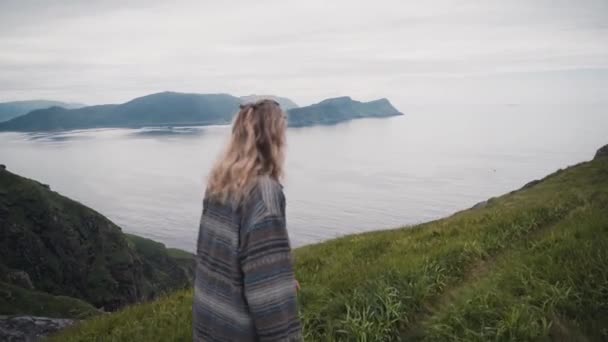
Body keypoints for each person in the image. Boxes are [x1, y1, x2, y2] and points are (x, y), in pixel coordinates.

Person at [193, 99, 302, 341]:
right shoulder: (264, 195)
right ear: (273, 139)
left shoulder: (219, 185)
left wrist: (277, 275)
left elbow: (217, 258)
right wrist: (274, 283)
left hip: (210, 326)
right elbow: (269, 300)